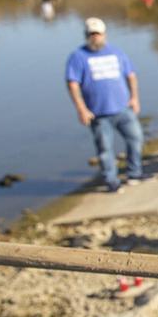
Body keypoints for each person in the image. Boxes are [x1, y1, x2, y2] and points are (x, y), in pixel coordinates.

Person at [65, 17, 145, 193]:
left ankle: (134, 173)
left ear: (104, 34)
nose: (95, 37)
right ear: (86, 35)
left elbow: (131, 75)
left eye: (98, 34)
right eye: (91, 34)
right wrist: (81, 109)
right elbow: (72, 84)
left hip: (123, 108)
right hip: (98, 114)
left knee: (136, 138)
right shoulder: (78, 57)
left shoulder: (116, 52)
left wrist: (135, 98)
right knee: (105, 150)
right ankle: (111, 181)